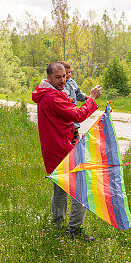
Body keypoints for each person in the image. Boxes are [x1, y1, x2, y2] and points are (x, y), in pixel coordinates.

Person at [32, 62, 101, 241]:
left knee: (60, 189)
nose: (62, 80)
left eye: (64, 76)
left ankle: (57, 226)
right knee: (82, 188)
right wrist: (91, 98)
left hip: (55, 149)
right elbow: (78, 115)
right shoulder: (53, 97)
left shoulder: (46, 93)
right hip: (63, 150)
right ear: (49, 78)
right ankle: (74, 230)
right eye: (58, 77)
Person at [60, 61, 86, 144]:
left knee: (75, 129)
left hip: (73, 110)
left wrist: (85, 97)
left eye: (69, 72)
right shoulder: (60, 84)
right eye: (65, 73)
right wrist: (67, 99)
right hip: (66, 111)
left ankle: (75, 143)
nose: (68, 75)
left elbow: (78, 93)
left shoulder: (72, 82)